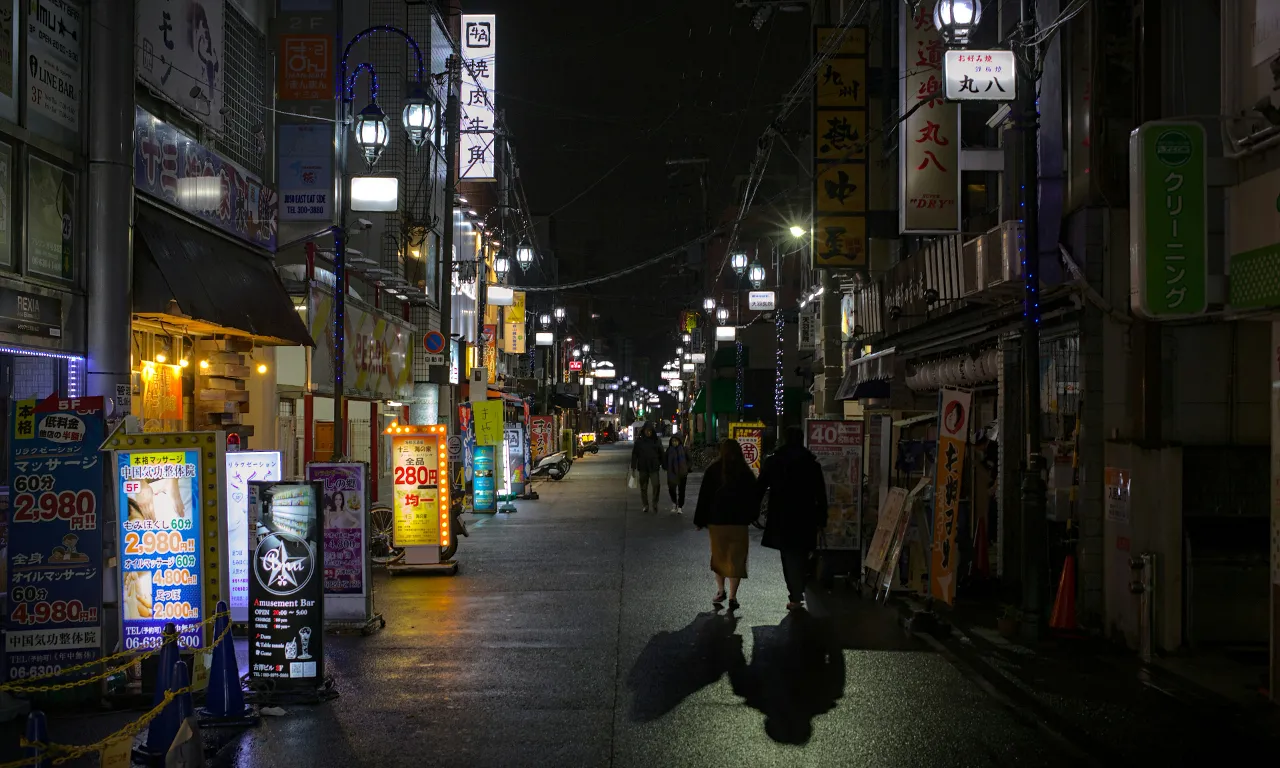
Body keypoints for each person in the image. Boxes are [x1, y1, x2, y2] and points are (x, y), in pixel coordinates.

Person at [757, 426, 828, 611]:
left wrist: (751, 511)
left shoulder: (774, 461)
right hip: (806, 516)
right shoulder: (811, 464)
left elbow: (760, 487)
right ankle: (799, 589)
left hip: (781, 516)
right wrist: (822, 518)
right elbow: (821, 494)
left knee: (787, 555)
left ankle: (795, 594)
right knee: (802, 553)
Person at [693, 439, 760, 611]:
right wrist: (752, 516)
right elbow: (755, 496)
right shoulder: (744, 471)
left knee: (719, 556)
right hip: (739, 522)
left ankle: (720, 590)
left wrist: (700, 520)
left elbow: (704, 497)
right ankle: (733, 596)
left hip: (717, 521)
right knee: (737, 558)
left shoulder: (713, 470)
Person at [631, 422, 664, 513]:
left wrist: (663, 463)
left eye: (650, 431)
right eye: (647, 431)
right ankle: (645, 504)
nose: (648, 433)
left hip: (654, 466)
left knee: (656, 485)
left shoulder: (656, 440)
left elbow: (661, 453)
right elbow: (635, 454)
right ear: (644, 431)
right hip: (643, 466)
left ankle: (654, 503)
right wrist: (633, 467)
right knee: (643, 487)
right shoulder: (639, 441)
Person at [663, 434, 691, 515]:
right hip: (672, 473)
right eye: (673, 441)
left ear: (679, 441)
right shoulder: (669, 450)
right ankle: (674, 502)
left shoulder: (684, 449)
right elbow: (665, 460)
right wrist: (666, 467)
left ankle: (680, 507)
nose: (674, 443)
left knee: (681, 491)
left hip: (682, 473)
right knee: (672, 489)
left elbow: (689, 459)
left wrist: (687, 468)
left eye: (676, 441)